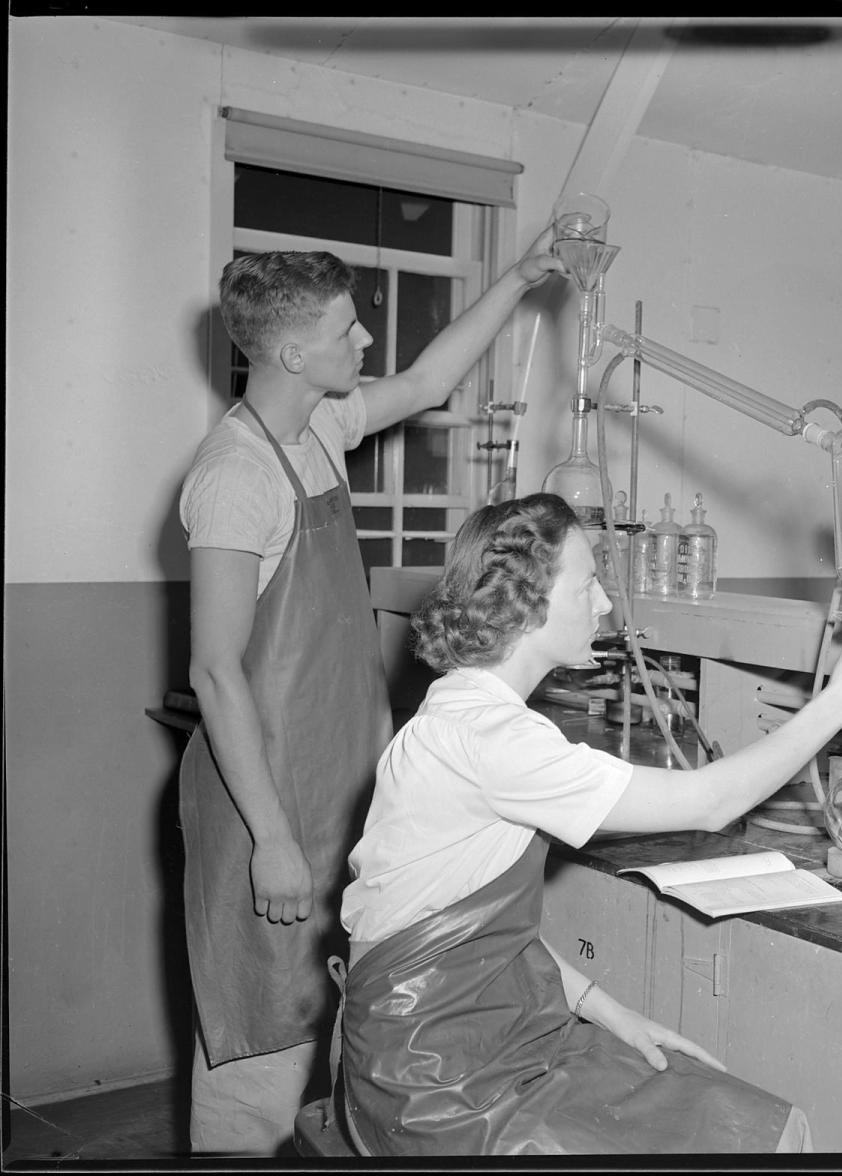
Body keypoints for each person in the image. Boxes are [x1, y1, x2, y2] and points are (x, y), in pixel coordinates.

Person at [337, 494, 842, 1154]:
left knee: (755, 1124)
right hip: (434, 1077)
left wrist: (612, 1012)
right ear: (530, 600)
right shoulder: (492, 739)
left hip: (473, 1032)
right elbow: (712, 803)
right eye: (589, 583)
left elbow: (476, 934)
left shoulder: (462, 711)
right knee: (754, 1139)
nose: (605, 603)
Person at [178, 238, 564, 1156]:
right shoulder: (234, 475)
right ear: (291, 354)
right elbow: (215, 672)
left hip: (339, 783)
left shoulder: (319, 429)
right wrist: (272, 840)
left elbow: (430, 380)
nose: (365, 336)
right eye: (345, 326)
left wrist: (518, 276)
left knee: (346, 1038)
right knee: (258, 1047)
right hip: (261, 805)